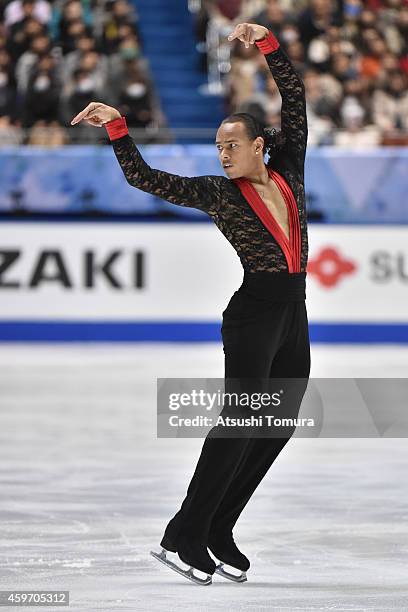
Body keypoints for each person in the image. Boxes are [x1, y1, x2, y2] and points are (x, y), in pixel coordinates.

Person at [71, 22, 310, 585]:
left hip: (293, 314)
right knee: (240, 421)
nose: (224, 154)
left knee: (278, 423)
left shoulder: (290, 166)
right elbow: (144, 179)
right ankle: (184, 534)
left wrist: (267, 44)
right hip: (253, 314)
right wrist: (119, 129)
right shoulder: (217, 193)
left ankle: (219, 526)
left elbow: (294, 97)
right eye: (218, 147)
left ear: (259, 144)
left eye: (233, 145)